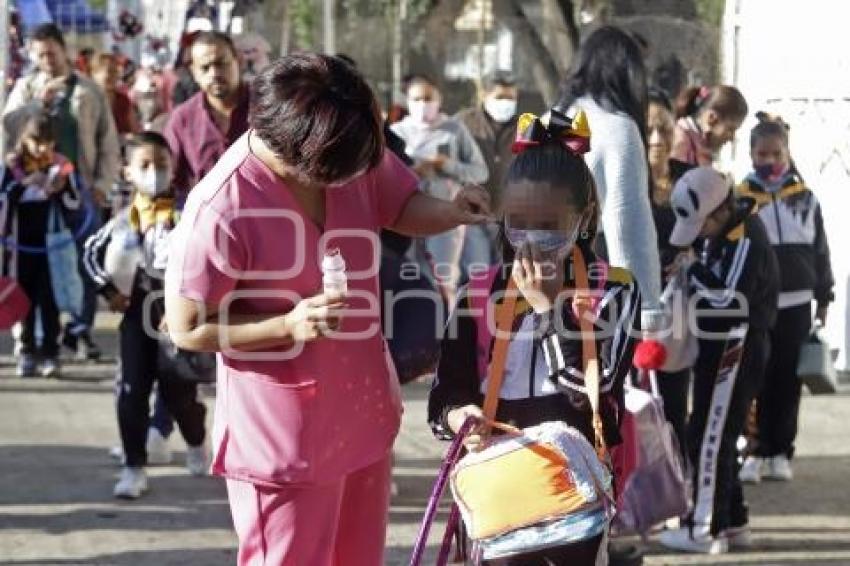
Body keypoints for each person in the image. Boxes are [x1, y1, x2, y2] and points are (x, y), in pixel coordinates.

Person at [162, 53, 492, 565]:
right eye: (341, 173)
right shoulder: (222, 207)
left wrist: (451, 212)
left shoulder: (346, 145)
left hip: (362, 413)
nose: (355, 179)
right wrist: (285, 325)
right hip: (285, 438)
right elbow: (187, 328)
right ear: (300, 154)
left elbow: (399, 204)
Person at [428, 109, 641, 565]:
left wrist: (548, 310)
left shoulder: (614, 290)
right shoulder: (478, 293)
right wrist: (457, 419)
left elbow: (595, 391)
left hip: (574, 485)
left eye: (548, 226)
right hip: (498, 483)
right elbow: (443, 396)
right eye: (517, 222)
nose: (530, 239)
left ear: (583, 218)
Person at [659, 167, 778, 555]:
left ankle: (702, 529)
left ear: (721, 210)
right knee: (715, 433)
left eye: (700, 224)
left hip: (736, 348)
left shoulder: (747, 236)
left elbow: (730, 300)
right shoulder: (722, 234)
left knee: (709, 437)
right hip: (718, 346)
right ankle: (732, 521)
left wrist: (693, 269)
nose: (698, 233)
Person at [83, 132, 209, 499]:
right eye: (145, 165)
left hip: (177, 312)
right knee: (131, 389)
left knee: (179, 392)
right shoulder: (125, 219)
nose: (155, 172)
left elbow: (208, 258)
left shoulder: (189, 213)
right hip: (137, 311)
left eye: (162, 164)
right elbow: (91, 254)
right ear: (128, 173)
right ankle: (134, 466)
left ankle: (196, 441)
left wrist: (193, 302)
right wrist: (109, 291)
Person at [3, 23, 120, 360]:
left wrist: (101, 186)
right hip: (36, 198)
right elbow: (9, 131)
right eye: (39, 54)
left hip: (78, 193)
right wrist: (37, 104)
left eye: (51, 52)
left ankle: (81, 330)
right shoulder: (26, 87)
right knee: (37, 270)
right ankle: (32, 337)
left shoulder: (89, 91)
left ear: (63, 49)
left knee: (85, 264)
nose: (46, 60)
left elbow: (108, 143)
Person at [737, 115, 833, 483]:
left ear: (788, 154)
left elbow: (820, 250)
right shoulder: (741, 200)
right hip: (758, 305)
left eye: (776, 154)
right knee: (755, 378)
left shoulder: (805, 199)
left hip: (797, 304)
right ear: (750, 155)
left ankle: (780, 451)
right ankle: (753, 451)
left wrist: (824, 296)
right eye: (762, 153)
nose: (770, 161)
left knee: (788, 380)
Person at [557, 25, 665, 335]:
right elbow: (627, 220)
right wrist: (645, 308)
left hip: (541, 273)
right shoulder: (616, 127)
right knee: (598, 378)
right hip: (594, 275)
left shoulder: (551, 120)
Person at [391, 74, 489, 301]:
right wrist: (411, 172)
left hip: (445, 214)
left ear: (439, 99)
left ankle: (447, 328)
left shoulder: (454, 130)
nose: (423, 105)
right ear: (407, 100)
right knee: (408, 274)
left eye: (428, 98)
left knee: (444, 277)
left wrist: (446, 164)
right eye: (416, 99)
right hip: (403, 213)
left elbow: (480, 172)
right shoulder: (397, 133)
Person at [0, 112, 82, 377]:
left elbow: (75, 204)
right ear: (23, 139)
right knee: (23, 297)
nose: (42, 148)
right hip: (19, 244)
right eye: (36, 141)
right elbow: (4, 200)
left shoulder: (61, 166)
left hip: (52, 244)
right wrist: (24, 185)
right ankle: (26, 349)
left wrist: (61, 189)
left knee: (49, 298)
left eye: (47, 142)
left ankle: (50, 351)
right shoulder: (12, 166)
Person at [647, 89, 694, 458]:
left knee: (675, 394)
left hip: (679, 305)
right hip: (634, 304)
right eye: (649, 130)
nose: (658, 139)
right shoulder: (623, 181)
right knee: (636, 397)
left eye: (664, 129)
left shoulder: (688, 179)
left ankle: (677, 479)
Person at [164, 31, 250, 200]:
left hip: (267, 216)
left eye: (221, 63)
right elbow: (170, 179)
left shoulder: (269, 109)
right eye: (205, 67)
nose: (214, 73)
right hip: (207, 221)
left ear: (238, 61)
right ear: (194, 72)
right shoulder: (182, 120)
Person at [456, 70, 520, 264]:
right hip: (473, 216)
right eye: (500, 96)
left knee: (507, 279)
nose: (506, 102)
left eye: (511, 97)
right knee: (479, 274)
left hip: (511, 220)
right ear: (484, 95)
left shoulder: (526, 127)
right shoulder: (463, 123)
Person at [672, 85, 748, 166]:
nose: (732, 138)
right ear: (712, 119)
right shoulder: (681, 142)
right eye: (730, 129)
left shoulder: (699, 147)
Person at [90, 52, 140, 136]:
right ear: (94, 74)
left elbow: (135, 131)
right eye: (109, 71)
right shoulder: (88, 100)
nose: (113, 76)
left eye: (115, 71)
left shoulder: (123, 100)